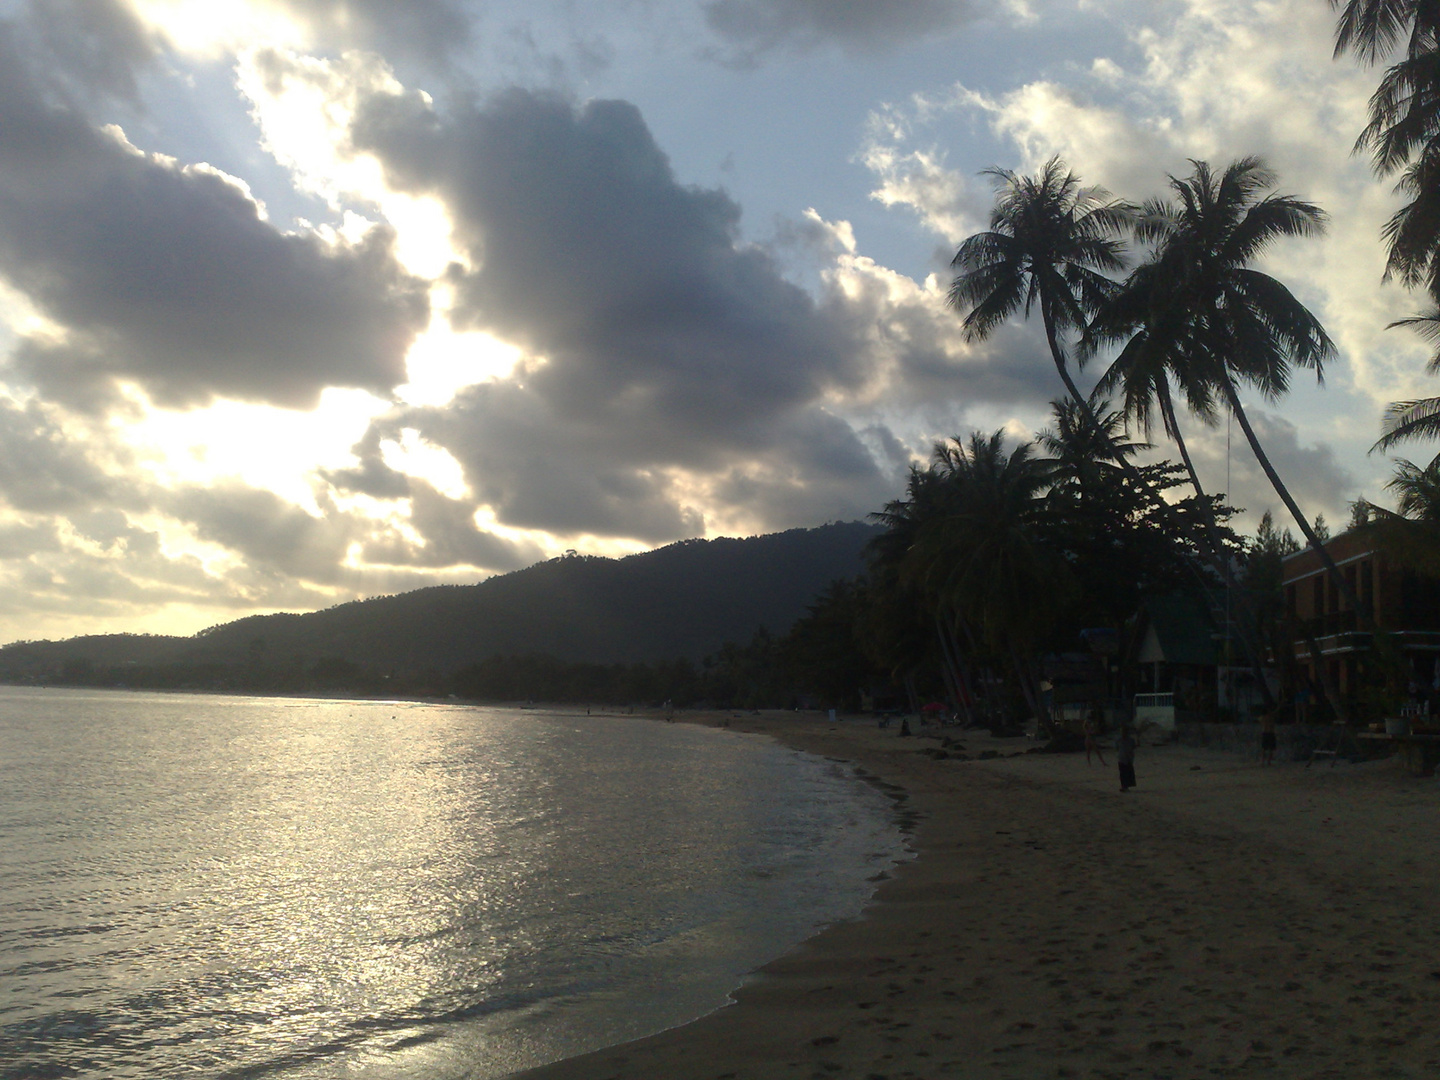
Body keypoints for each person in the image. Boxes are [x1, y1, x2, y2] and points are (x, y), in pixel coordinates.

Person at [1116, 726, 1137, 792]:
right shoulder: (1119, 740)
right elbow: (1117, 748)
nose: (1123, 733)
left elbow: (1133, 747)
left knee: (1128, 773)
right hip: (1121, 758)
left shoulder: (1130, 740)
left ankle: (1126, 786)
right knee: (1122, 773)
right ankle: (1124, 786)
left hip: (1128, 758)